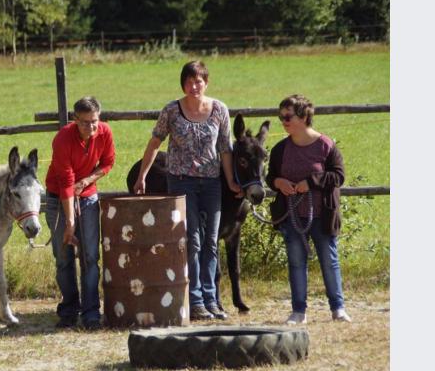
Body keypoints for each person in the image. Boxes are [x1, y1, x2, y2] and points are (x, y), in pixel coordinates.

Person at [133, 60, 241, 320]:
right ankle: (195, 300)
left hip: (212, 182)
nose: (195, 86)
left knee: (211, 241)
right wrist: (142, 176)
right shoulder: (171, 110)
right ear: (183, 83)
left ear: (207, 82)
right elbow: (155, 143)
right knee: (192, 239)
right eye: (190, 81)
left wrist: (231, 181)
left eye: (199, 80)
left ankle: (211, 297)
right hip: (182, 181)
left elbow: (225, 148)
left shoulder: (219, 110)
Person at [265, 94, 352, 325]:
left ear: (304, 117)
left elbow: (338, 175)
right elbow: (270, 176)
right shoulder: (280, 149)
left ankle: (338, 308)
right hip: (292, 216)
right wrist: (278, 183)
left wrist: (311, 182)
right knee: (295, 262)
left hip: (322, 215)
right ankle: (299, 311)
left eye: (287, 116)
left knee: (329, 260)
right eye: (280, 116)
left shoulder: (326, 145)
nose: (283, 121)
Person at [45, 96, 115, 330]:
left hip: (87, 197)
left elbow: (108, 162)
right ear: (75, 120)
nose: (91, 127)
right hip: (58, 199)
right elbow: (66, 181)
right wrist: (69, 224)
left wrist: (87, 181)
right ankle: (69, 310)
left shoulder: (105, 132)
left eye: (94, 121)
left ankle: (91, 313)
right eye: (85, 122)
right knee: (63, 257)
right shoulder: (63, 138)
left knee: (90, 257)